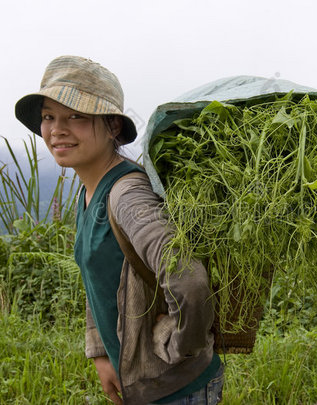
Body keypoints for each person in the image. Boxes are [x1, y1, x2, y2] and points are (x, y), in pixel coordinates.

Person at [15, 55, 223, 404]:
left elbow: (189, 281)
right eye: (49, 117)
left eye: (75, 116)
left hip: (177, 391)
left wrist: (175, 349)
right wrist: (101, 351)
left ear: (113, 126)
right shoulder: (88, 189)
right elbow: (99, 278)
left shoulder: (128, 196)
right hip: (142, 388)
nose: (56, 129)